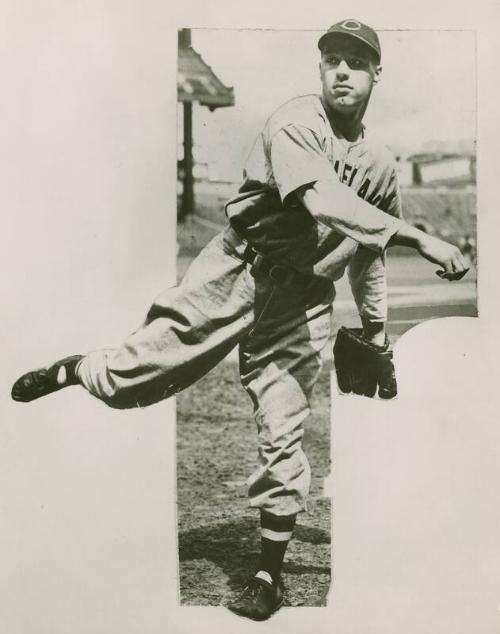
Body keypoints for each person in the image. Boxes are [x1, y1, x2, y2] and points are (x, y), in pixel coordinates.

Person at [11, 19, 469, 621]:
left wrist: (378, 331)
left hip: (303, 299)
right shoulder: (295, 122)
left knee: (285, 424)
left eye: (356, 62)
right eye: (331, 58)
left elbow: (367, 256)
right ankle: (78, 369)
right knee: (137, 375)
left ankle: (266, 575)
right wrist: (421, 237)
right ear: (319, 68)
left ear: (377, 73)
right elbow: (325, 200)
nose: (341, 71)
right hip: (236, 269)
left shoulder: (381, 164)